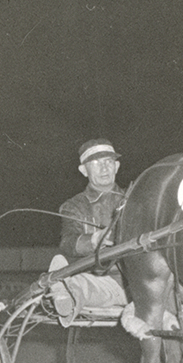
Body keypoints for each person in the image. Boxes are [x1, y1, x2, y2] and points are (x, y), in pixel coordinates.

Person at [48, 139, 128, 327]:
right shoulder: (74, 206)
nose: (104, 168)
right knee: (87, 286)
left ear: (116, 166)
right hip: (101, 279)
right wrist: (94, 240)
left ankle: (63, 284)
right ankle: (65, 291)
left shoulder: (135, 199)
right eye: (96, 163)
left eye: (108, 162)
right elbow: (68, 242)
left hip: (134, 279)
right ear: (84, 171)